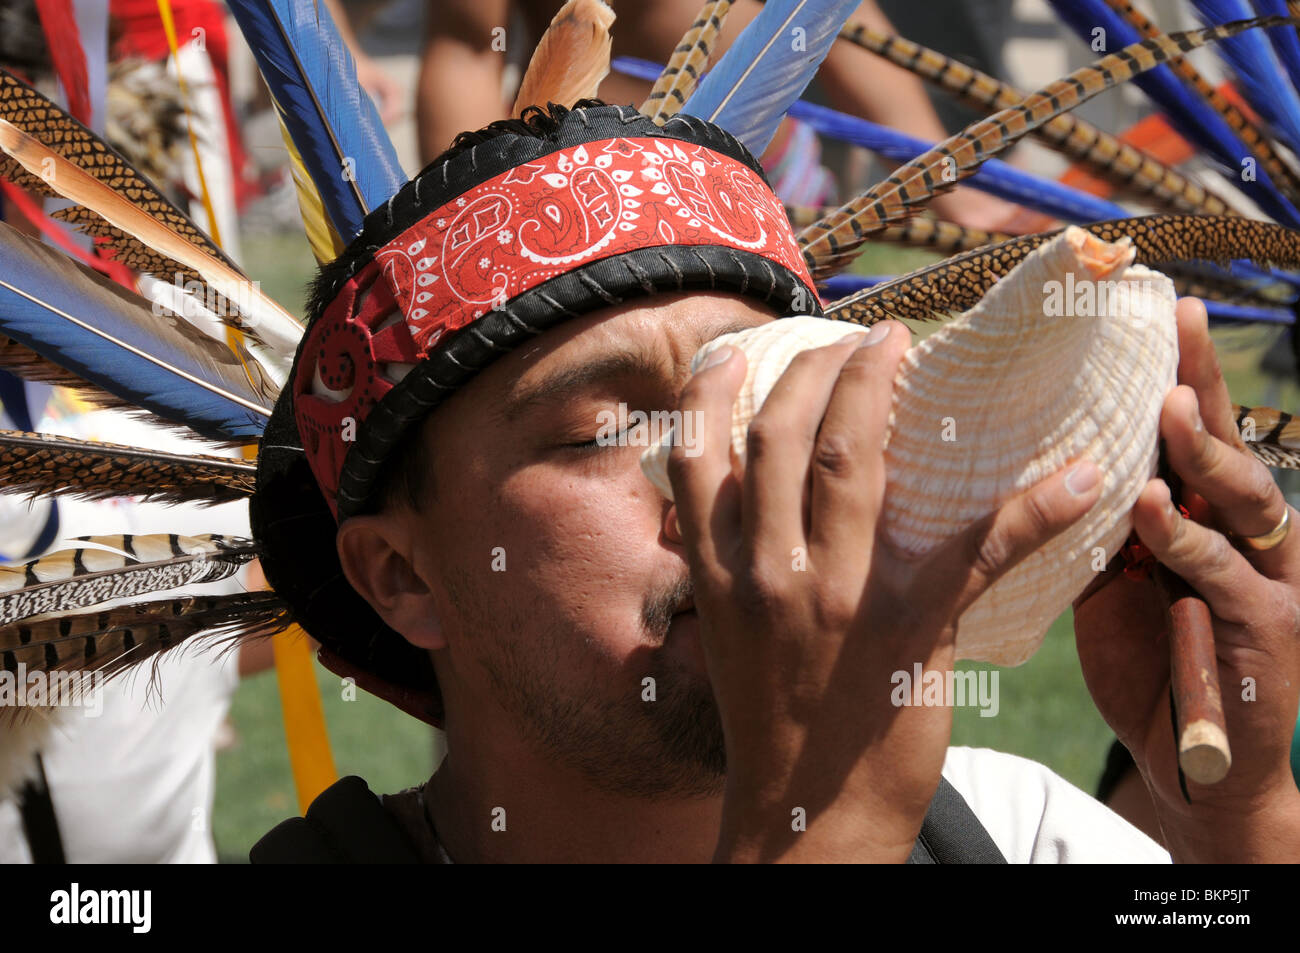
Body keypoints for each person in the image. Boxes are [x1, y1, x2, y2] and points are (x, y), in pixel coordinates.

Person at [248, 99, 1300, 863]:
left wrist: (1232, 816)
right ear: (400, 573)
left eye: (764, 393)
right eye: (604, 429)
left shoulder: (1004, 828)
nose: (721, 472)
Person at [415, 0, 1041, 231]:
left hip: (761, 170)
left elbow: (836, 18)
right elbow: (469, 49)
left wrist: (944, 183)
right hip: (567, 171)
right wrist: (463, 216)